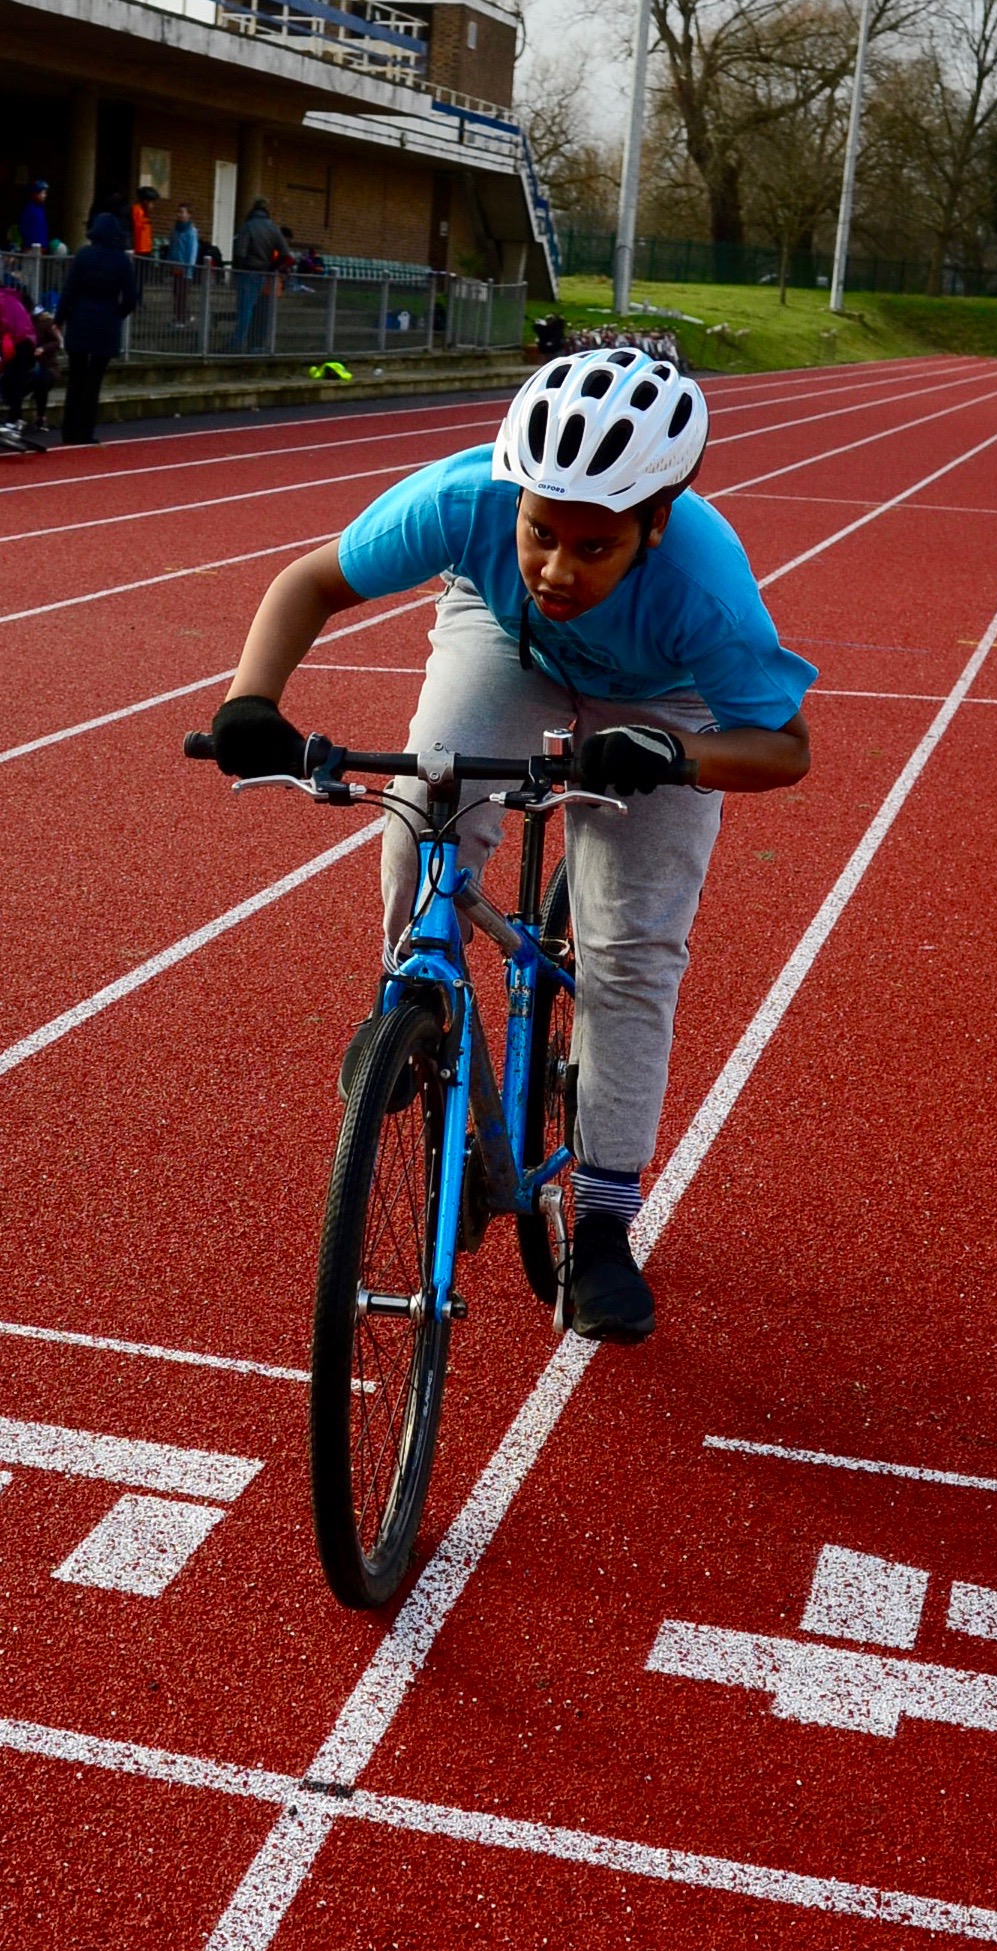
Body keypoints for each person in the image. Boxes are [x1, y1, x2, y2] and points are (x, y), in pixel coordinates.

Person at [205, 349, 815, 1343]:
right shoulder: (462, 501)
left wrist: (676, 753)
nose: (558, 568)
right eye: (539, 531)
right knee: (424, 800)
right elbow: (308, 582)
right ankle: (407, 989)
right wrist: (250, 701)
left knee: (630, 951)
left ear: (654, 525)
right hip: (504, 640)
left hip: (660, 698)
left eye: (594, 545)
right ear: (512, 499)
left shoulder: (702, 590)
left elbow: (784, 749)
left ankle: (604, 1223)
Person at [53, 212, 136, 444]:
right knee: (94, 380)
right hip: (106, 322)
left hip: (80, 319)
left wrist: (60, 319)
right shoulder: (122, 261)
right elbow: (130, 298)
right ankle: (85, 431)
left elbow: (69, 291)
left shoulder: (84, 255)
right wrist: (117, 315)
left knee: (76, 377)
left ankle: (69, 431)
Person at [232, 196, 291, 351]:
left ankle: (236, 344)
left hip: (248, 272)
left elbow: (240, 252)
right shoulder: (273, 228)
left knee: (245, 311)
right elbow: (286, 254)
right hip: (266, 275)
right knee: (260, 313)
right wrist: (273, 267)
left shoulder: (248, 226)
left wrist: (237, 271)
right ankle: (255, 345)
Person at [0, 284, 37, 441]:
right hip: (25, 341)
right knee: (13, 381)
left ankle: (14, 419)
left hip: (17, 342)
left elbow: (4, 324)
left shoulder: (2, 299)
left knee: (12, 381)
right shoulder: (10, 297)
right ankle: (15, 418)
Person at [165, 200, 199, 324]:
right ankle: (182, 316)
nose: (179, 214)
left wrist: (188, 267)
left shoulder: (191, 231)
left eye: (182, 212)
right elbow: (172, 247)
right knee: (176, 293)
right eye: (178, 212)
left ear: (189, 214)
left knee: (182, 294)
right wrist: (170, 262)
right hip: (175, 266)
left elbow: (192, 250)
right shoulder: (175, 230)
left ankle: (181, 319)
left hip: (185, 269)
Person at [130, 185, 159, 303]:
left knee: (141, 278)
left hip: (145, 249)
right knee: (137, 278)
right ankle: (135, 299)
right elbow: (136, 230)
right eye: (152, 203)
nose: (153, 206)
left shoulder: (143, 212)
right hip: (139, 250)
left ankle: (139, 299)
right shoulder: (137, 211)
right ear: (145, 201)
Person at [19, 180, 49, 250]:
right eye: (43, 193)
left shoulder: (41, 209)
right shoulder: (29, 210)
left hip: (41, 247)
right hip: (31, 247)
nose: (45, 195)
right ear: (35, 193)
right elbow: (24, 228)